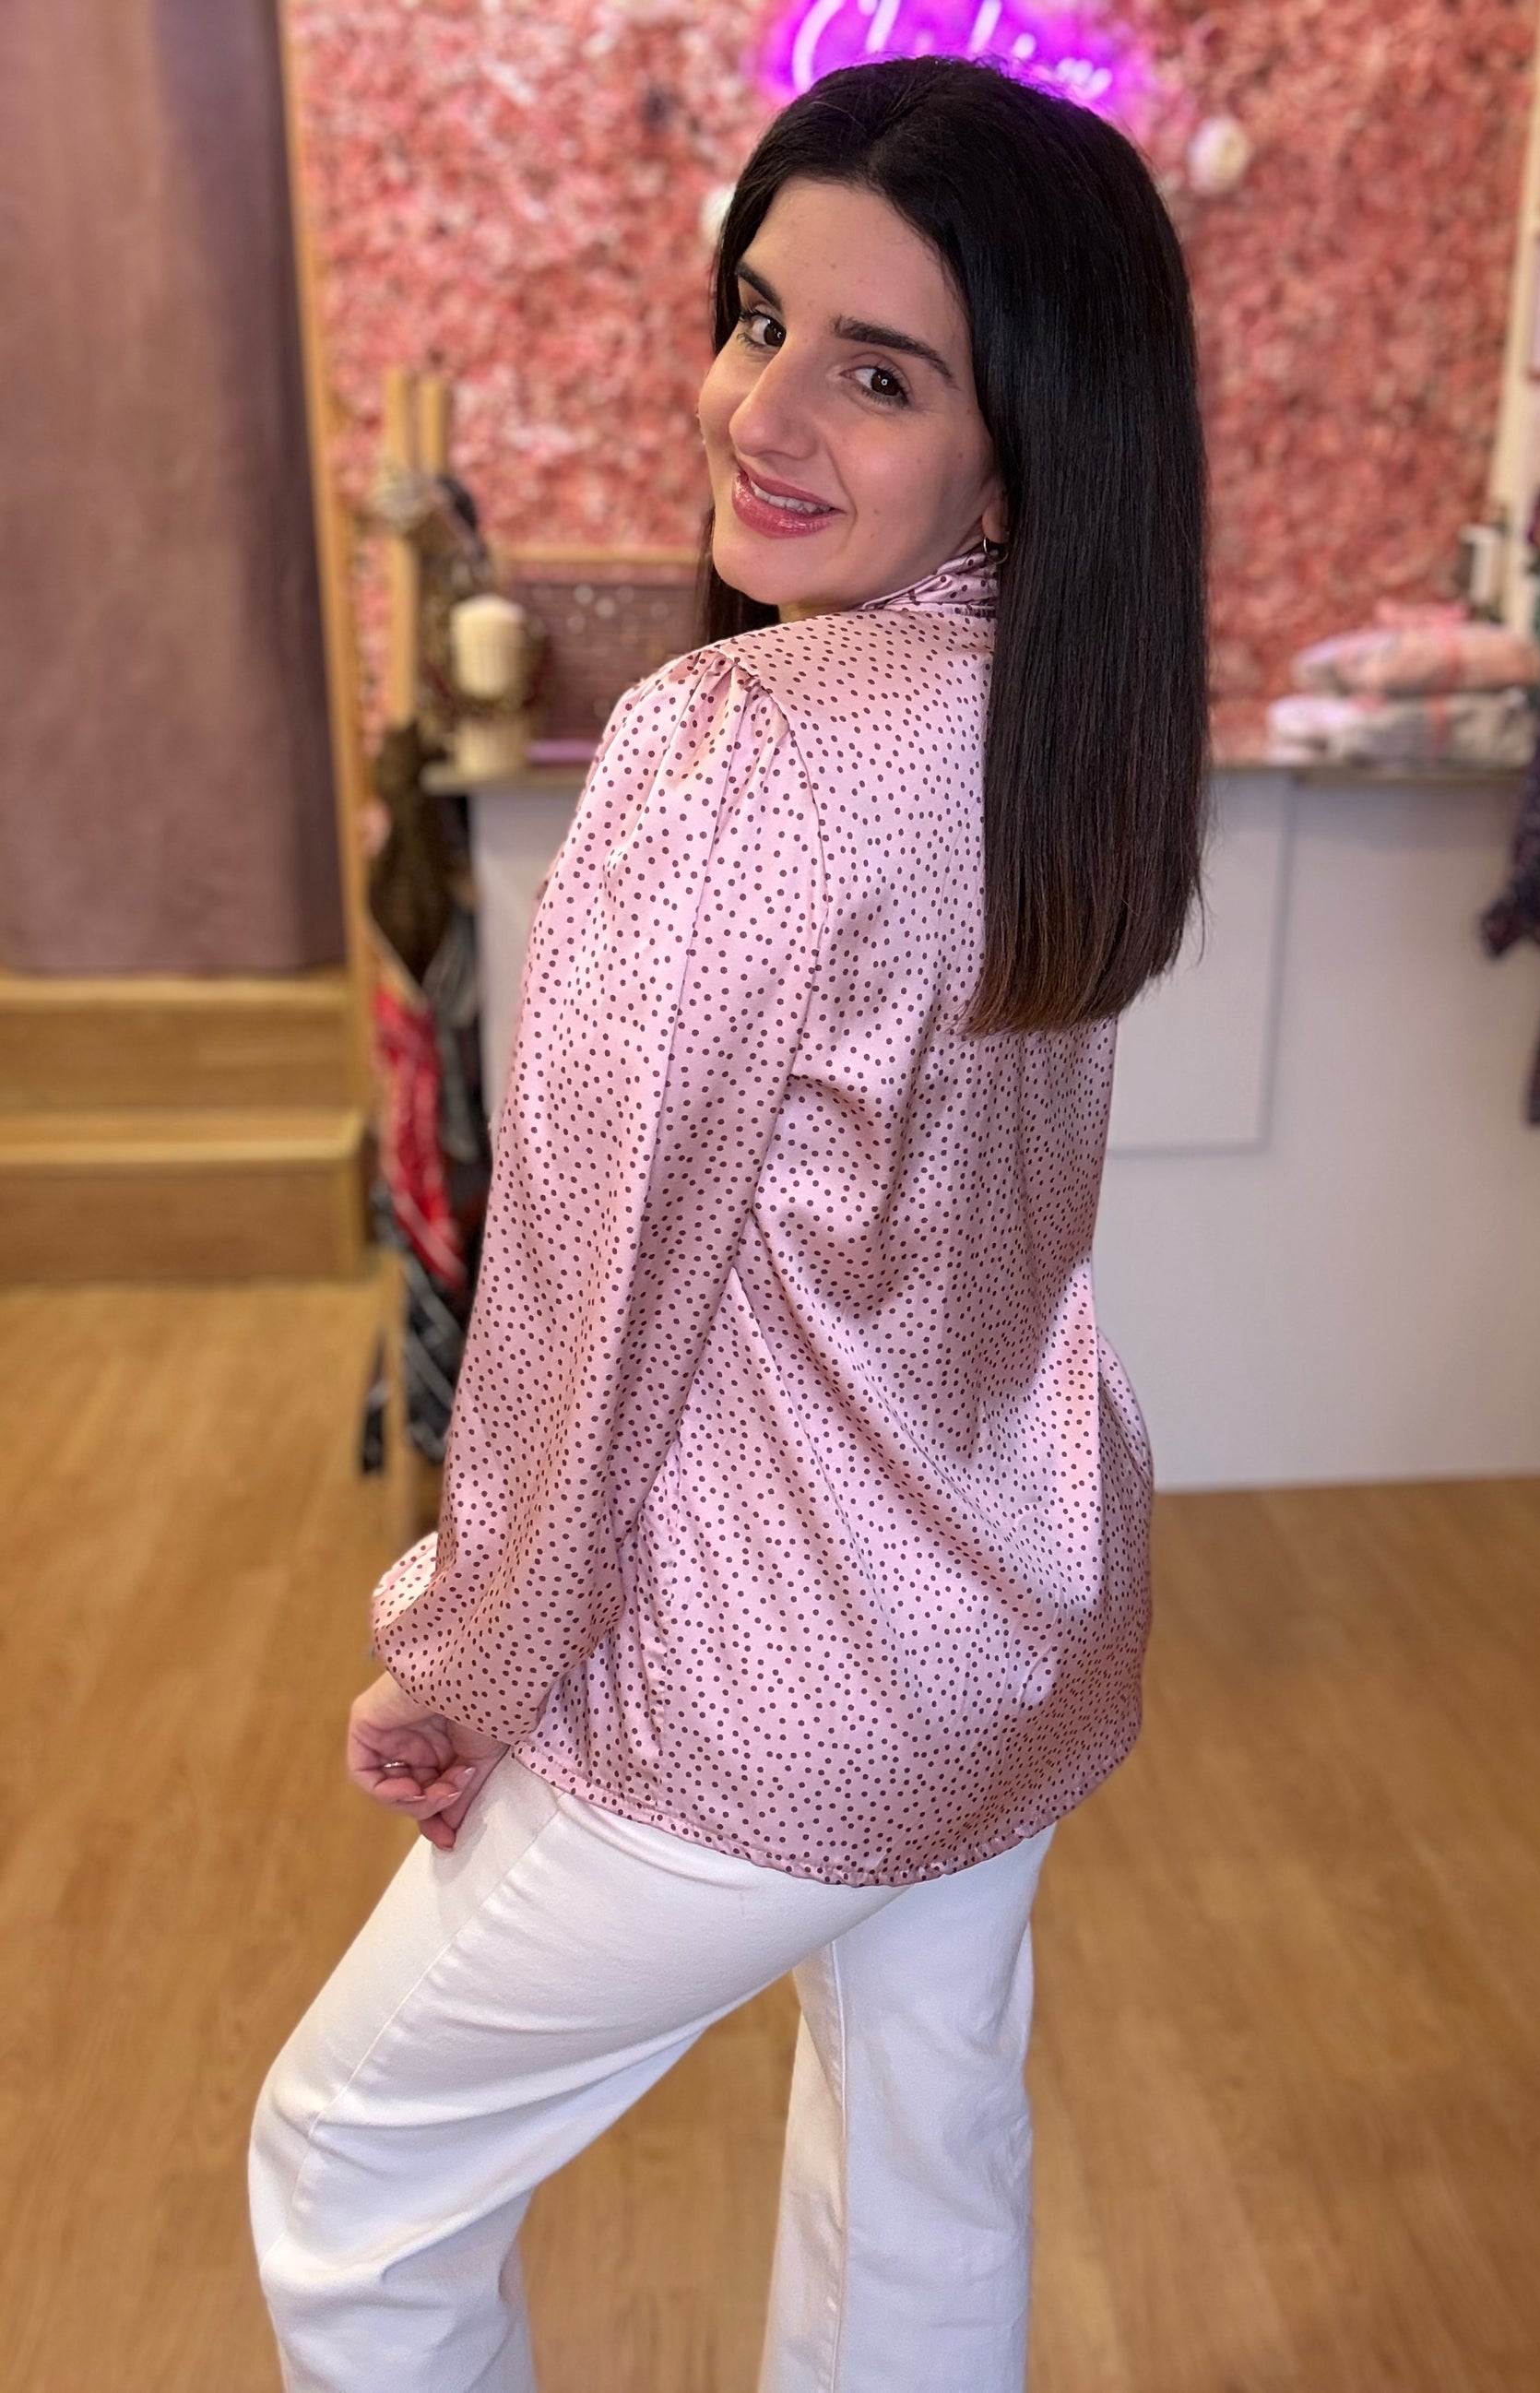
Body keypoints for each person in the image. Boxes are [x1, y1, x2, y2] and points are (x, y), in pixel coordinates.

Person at [249, 53, 1208, 2393]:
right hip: (1012, 1620)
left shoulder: (739, 745)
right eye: (759, 317)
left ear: (1020, 442)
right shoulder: (1065, 717)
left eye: (878, 373)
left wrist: (462, 1659)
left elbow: (585, 1305)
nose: (757, 410)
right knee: (922, 2164)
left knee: (351, 2163)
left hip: (771, 1683)